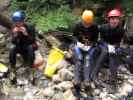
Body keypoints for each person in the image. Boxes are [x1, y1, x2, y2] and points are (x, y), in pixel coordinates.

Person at [91, 9, 125, 91]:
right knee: (105, 51)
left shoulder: (121, 30)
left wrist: (115, 48)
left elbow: (118, 42)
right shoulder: (103, 27)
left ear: (119, 20)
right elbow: (100, 40)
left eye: (116, 19)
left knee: (113, 54)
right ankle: (94, 75)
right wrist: (107, 45)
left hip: (112, 46)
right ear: (109, 20)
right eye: (112, 19)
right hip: (102, 45)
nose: (114, 21)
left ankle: (113, 81)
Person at [72, 10, 99, 88]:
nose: (87, 25)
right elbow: (73, 36)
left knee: (87, 59)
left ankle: (86, 80)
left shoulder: (95, 27)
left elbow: (96, 39)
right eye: (85, 23)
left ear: (91, 22)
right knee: (79, 58)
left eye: (89, 23)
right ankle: (76, 79)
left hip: (89, 47)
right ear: (82, 20)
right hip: (79, 46)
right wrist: (77, 43)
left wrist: (91, 44)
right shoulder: (78, 25)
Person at [9, 11, 37, 78]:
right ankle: (13, 68)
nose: (18, 24)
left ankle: (31, 68)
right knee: (12, 49)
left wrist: (26, 34)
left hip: (28, 46)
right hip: (20, 46)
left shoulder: (30, 27)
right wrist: (15, 35)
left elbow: (33, 41)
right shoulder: (14, 27)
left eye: (19, 22)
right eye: (16, 23)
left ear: (23, 21)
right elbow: (13, 42)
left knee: (30, 47)